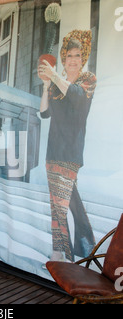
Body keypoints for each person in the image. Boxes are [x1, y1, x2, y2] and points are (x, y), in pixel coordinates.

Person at [38, 30, 97, 263]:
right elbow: (44, 113)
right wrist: (45, 85)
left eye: (77, 55)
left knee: (60, 207)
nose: (73, 60)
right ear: (64, 59)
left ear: (83, 58)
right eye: (69, 56)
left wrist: (54, 76)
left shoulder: (87, 80)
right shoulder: (55, 82)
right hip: (53, 151)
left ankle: (64, 258)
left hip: (70, 152)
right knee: (60, 205)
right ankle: (83, 248)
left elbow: (76, 97)